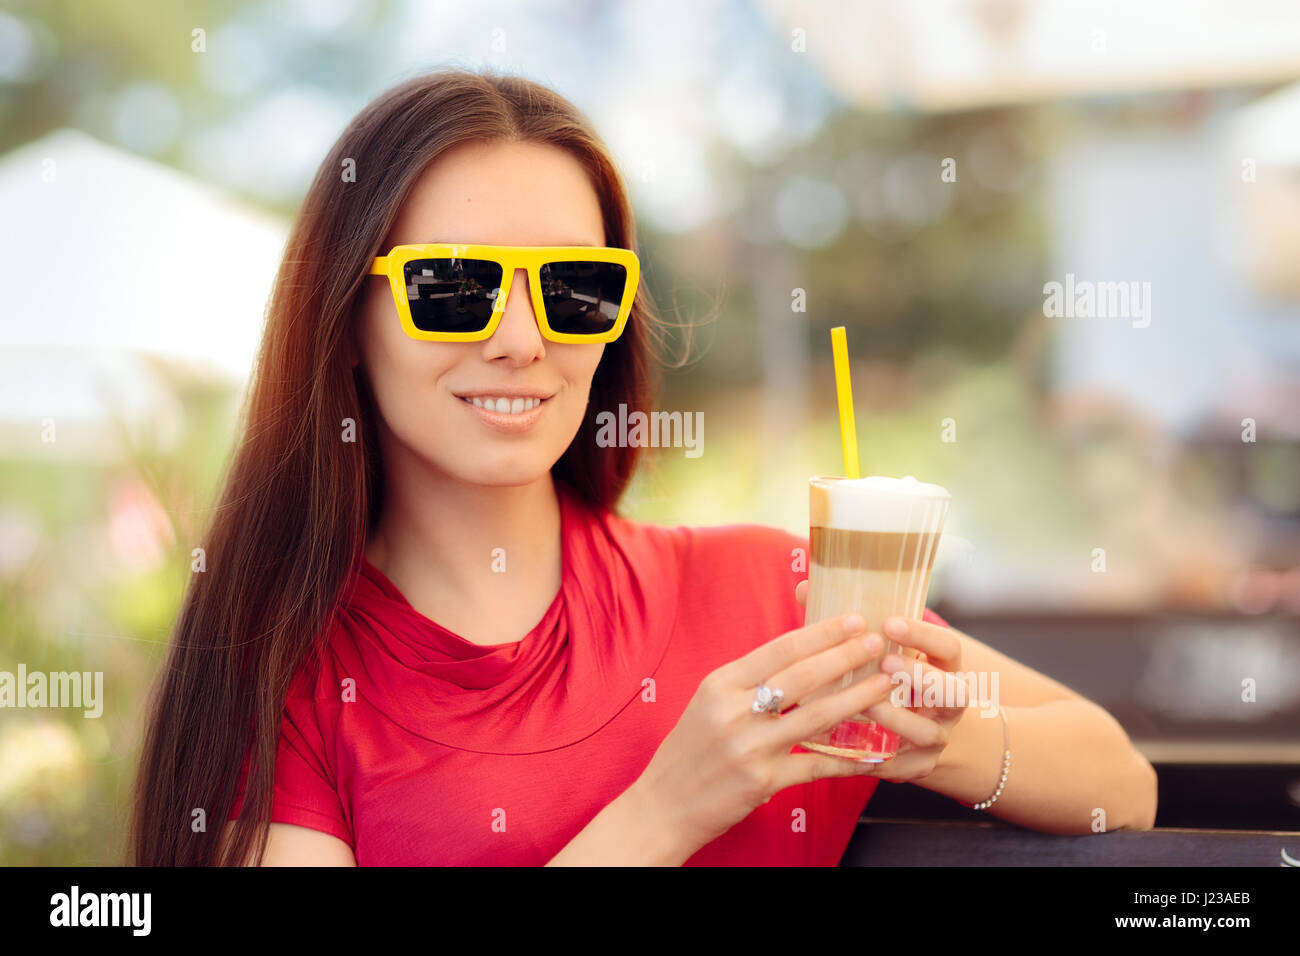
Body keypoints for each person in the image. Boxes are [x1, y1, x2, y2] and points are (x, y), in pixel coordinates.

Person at [131, 68, 1157, 867]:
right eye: (454, 286)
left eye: (575, 286)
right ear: (348, 319)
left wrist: (943, 743)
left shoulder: (775, 591)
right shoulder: (281, 675)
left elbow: (1120, 777)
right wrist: (664, 813)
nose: (522, 340)